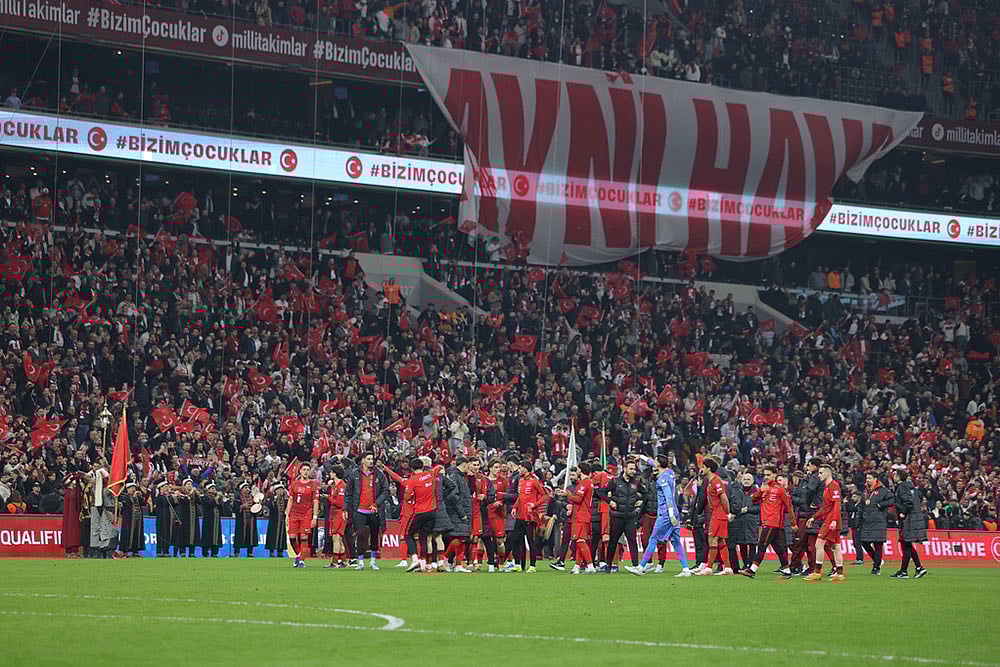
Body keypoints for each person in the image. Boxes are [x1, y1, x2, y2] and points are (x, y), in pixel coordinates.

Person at [626, 455, 691, 577]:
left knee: (653, 539)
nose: (653, 463)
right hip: (674, 512)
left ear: (659, 465)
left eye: (655, 462)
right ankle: (686, 569)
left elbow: (668, 497)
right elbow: (651, 462)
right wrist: (640, 457)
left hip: (666, 513)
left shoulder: (662, 479)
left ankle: (641, 567)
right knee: (676, 541)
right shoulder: (670, 472)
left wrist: (670, 514)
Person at [741, 466, 794, 578]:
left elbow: (788, 506)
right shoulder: (764, 487)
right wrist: (760, 491)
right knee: (779, 548)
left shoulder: (780, 489)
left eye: (768, 475)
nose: (766, 477)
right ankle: (787, 570)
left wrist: (793, 523)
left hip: (773, 521)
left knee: (762, 544)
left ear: (775, 475)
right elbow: (753, 500)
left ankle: (752, 570)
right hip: (766, 521)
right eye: (765, 475)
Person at [346, 451, 389, 570]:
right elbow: (348, 493)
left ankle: (373, 561)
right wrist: (345, 508)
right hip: (359, 510)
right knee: (360, 535)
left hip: (374, 511)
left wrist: (377, 503)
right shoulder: (354, 475)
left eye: (372, 459)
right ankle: (360, 562)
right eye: (369, 459)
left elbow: (386, 490)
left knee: (374, 535)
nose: (371, 461)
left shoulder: (379, 475)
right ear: (363, 460)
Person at [503, 458, 545, 573]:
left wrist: (535, 505)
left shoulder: (534, 481)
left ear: (525, 469)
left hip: (530, 516)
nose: (519, 469)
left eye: (521, 468)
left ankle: (532, 566)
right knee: (515, 540)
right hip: (520, 515)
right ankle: (517, 565)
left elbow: (545, 495)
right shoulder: (521, 481)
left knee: (531, 541)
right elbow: (520, 497)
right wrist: (515, 507)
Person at [604, 458, 645, 572]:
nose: (633, 471)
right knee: (613, 542)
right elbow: (601, 492)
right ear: (624, 469)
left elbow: (646, 494)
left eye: (634, 469)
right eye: (631, 469)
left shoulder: (636, 483)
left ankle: (636, 565)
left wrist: (640, 503)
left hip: (630, 517)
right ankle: (608, 565)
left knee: (632, 541)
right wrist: (609, 501)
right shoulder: (615, 482)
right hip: (617, 517)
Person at [403, 457, 444, 572]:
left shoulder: (413, 480)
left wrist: (413, 495)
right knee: (424, 537)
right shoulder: (430, 474)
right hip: (432, 512)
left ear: (412, 468)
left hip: (420, 512)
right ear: (422, 467)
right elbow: (439, 467)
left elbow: (407, 497)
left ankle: (415, 559)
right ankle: (423, 564)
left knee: (408, 534)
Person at [805, 463, 844, 582]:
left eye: (821, 473)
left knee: (819, 544)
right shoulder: (827, 488)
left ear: (828, 473)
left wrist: (834, 520)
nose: (819, 475)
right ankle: (840, 574)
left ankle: (817, 572)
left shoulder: (834, 486)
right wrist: (814, 517)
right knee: (835, 547)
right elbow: (825, 508)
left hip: (831, 520)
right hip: (831, 519)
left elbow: (837, 504)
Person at [695, 458, 733, 575]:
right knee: (721, 541)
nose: (701, 469)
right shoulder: (710, 481)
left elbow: (724, 497)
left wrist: (728, 512)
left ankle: (709, 568)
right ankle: (727, 568)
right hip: (715, 513)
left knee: (712, 539)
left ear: (708, 468)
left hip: (718, 513)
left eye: (703, 467)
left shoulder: (716, 481)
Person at [891, 470, 928, 579]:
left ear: (899, 477)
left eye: (895, 475)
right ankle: (917, 568)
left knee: (906, 543)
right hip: (914, 517)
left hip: (908, 519)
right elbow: (919, 498)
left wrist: (903, 512)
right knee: (906, 544)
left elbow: (908, 502)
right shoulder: (911, 487)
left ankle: (906, 571)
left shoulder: (902, 487)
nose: (894, 477)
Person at [563, 463, 597, 574]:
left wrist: (567, 494)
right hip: (584, 514)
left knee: (581, 541)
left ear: (581, 471)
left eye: (577, 470)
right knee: (579, 541)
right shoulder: (588, 482)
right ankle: (577, 567)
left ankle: (591, 566)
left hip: (581, 515)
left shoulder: (584, 483)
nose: (576, 471)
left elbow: (578, 499)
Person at [789, 460, 822, 575]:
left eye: (809, 466)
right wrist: (803, 503)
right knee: (798, 543)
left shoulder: (816, 482)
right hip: (802, 516)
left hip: (812, 516)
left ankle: (812, 567)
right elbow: (792, 497)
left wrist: (804, 503)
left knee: (811, 545)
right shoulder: (802, 483)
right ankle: (795, 566)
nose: (807, 468)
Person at [287, 462, 319, 568]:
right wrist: (287, 513)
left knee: (304, 537)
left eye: (307, 470)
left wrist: (314, 517)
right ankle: (298, 555)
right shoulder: (294, 484)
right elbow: (291, 499)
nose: (305, 471)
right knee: (292, 537)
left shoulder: (313, 485)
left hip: (306, 514)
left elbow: (315, 501)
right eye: (304, 469)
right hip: (294, 513)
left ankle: (301, 560)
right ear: (300, 471)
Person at [859, 472, 891, 575]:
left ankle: (876, 568)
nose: (867, 480)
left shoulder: (883, 490)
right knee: (864, 542)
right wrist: (858, 519)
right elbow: (861, 506)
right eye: (866, 478)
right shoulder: (865, 492)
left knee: (878, 544)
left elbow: (892, 500)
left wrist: (881, 505)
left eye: (869, 478)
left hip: (878, 521)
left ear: (875, 479)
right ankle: (878, 561)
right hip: (866, 522)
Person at [730, 471, 760, 571]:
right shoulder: (738, 491)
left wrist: (748, 509)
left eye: (748, 479)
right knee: (741, 542)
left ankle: (750, 564)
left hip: (752, 521)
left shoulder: (757, 491)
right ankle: (745, 563)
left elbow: (760, 507)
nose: (746, 481)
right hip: (739, 521)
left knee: (752, 543)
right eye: (744, 479)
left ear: (752, 481)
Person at [325, 465, 349, 568]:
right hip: (336, 514)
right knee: (338, 539)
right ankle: (344, 562)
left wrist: (328, 498)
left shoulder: (341, 486)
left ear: (335, 473)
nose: (330, 474)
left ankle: (334, 562)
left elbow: (340, 503)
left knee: (336, 538)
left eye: (331, 472)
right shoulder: (336, 485)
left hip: (339, 514)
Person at [62, 472, 87, 558]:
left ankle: (71, 550)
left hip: (74, 513)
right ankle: (72, 550)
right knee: (73, 527)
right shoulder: (72, 493)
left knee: (71, 527)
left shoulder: (70, 493)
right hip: (74, 513)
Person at [174, 479, 201, 558]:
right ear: (184, 486)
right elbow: (185, 500)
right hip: (184, 518)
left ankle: (192, 552)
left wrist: (197, 494)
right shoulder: (180, 494)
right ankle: (182, 551)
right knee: (183, 534)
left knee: (194, 534)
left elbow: (199, 502)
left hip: (193, 517)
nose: (190, 486)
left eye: (191, 484)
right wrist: (191, 492)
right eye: (188, 484)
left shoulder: (194, 495)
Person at [118, 482, 146, 557]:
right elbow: (127, 503)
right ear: (127, 489)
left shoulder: (137, 497)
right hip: (128, 520)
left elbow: (144, 503)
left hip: (137, 520)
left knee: (137, 534)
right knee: (127, 534)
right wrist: (134, 496)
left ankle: (135, 550)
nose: (133, 490)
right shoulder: (125, 497)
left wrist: (142, 495)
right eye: (131, 488)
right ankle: (125, 551)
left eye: (134, 488)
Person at [154, 481, 179, 557]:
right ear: (161, 489)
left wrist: (176, 497)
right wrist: (173, 496)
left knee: (167, 534)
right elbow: (166, 502)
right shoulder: (159, 497)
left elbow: (175, 504)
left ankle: (166, 550)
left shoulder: (168, 497)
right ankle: (159, 551)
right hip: (161, 518)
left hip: (168, 518)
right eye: (165, 487)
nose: (167, 488)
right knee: (161, 533)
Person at [233, 482, 258, 558]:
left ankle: (250, 552)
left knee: (250, 536)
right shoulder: (237, 498)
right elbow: (234, 508)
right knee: (239, 535)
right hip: (241, 520)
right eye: (245, 488)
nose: (247, 489)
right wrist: (242, 506)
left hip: (251, 520)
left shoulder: (252, 498)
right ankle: (237, 553)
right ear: (241, 489)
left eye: (248, 488)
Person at [265, 483, 288, 558]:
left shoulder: (285, 500)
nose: (281, 491)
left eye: (282, 490)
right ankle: (271, 551)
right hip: (273, 522)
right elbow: (268, 505)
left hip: (281, 522)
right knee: (272, 535)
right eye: (279, 490)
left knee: (281, 536)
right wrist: (274, 501)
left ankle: (280, 551)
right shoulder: (272, 500)